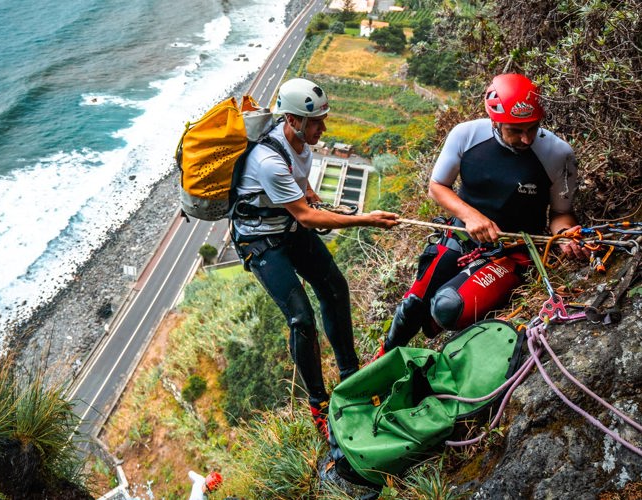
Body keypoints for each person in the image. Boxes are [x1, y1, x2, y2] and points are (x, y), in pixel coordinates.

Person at [375, 73, 588, 359]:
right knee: (413, 305)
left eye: (532, 128)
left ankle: (437, 326)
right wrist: (470, 216)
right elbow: (438, 186)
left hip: (511, 253)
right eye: (515, 130)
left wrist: (564, 236)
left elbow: (561, 213)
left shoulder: (557, 154)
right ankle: (381, 362)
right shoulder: (466, 136)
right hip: (461, 236)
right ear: (495, 121)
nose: (526, 138)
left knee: (447, 306)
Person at [230, 78, 399, 438]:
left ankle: (353, 378)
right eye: (317, 122)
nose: (324, 127)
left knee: (334, 287)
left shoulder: (299, 145)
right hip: (261, 242)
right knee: (301, 319)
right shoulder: (268, 161)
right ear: (292, 120)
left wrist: (310, 193)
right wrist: (364, 219)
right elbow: (306, 216)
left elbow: (302, 189)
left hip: (286, 228)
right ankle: (319, 405)